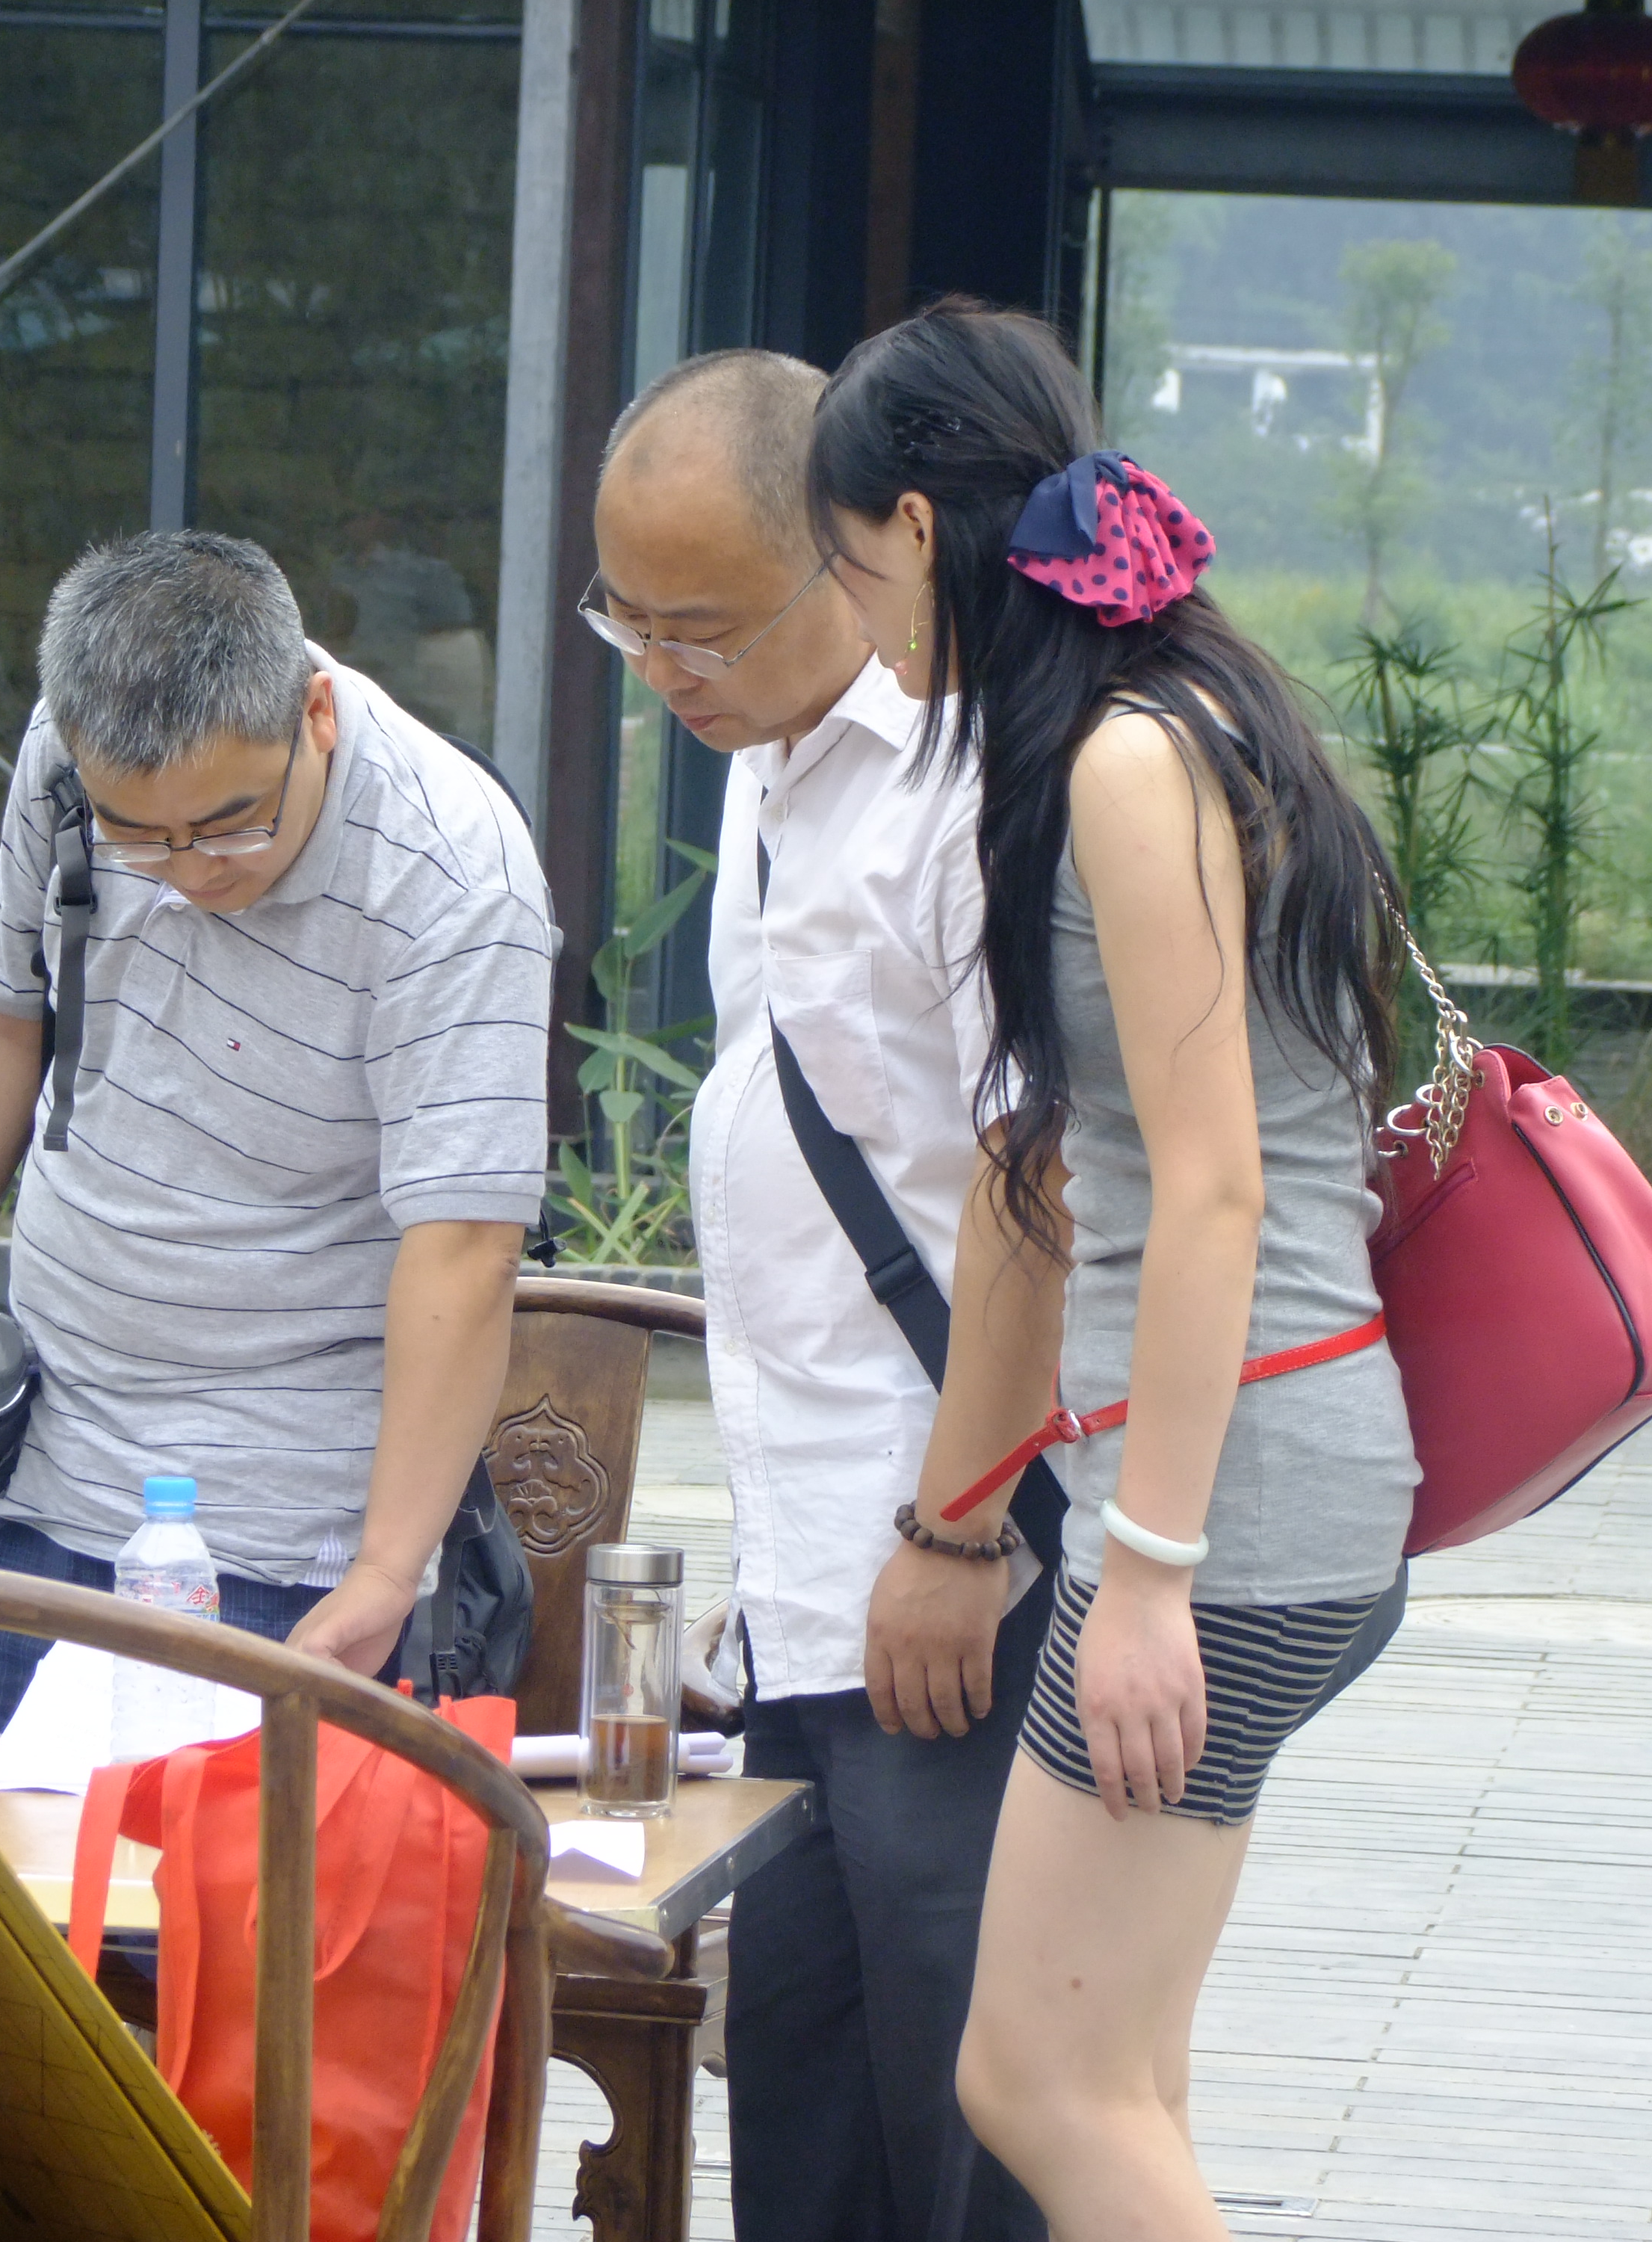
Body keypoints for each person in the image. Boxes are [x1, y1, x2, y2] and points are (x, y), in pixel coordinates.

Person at [809, 303, 1415, 2242]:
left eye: (848, 572)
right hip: (1280, 1472)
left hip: (1227, 1501)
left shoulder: (1131, 762)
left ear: (917, 529)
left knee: (1037, 2081)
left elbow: (1214, 1187)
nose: (863, 629)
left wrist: (1145, 1572)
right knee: (1120, 2075)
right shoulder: (1199, 715)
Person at [590, 348, 1045, 2242]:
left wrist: (957, 1528)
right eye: (627, 622)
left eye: (702, 626)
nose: (662, 668)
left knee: (970, 2128)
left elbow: (1036, 1195)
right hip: (805, 1594)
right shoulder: (769, 772)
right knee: (799, 2111)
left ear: (856, 558)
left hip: (953, 1581)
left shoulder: (971, 786)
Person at [0, 530, 555, 1715]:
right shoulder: (70, 759)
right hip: (46, 1476)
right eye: (140, 833)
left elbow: (466, 1245)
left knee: (215, 1844)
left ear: (315, 714)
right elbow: (1, 1021)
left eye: (231, 822)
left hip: (290, 1542)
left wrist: (386, 1573)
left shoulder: (453, 872)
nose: (190, 869)